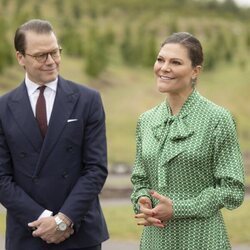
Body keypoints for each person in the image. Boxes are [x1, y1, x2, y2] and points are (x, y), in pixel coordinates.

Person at [0, 19, 109, 250]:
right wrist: (43, 218)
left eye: (55, 52)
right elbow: (1, 178)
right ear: (21, 57)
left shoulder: (87, 100)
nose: (51, 61)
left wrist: (63, 220)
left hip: (79, 232)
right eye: (41, 56)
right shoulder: (3, 108)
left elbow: (95, 168)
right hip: (28, 233)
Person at [130, 32, 245, 250]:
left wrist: (179, 208)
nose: (164, 68)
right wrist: (143, 200)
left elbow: (233, 189)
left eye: (175, 62)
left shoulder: (217, 119)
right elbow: (140, 179)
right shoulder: (146, 121)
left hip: (202, 239)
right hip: (155, 239)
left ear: (195, 71)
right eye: (160, 59)